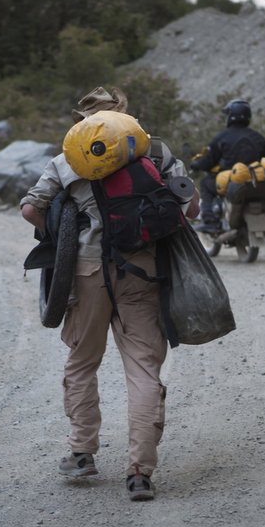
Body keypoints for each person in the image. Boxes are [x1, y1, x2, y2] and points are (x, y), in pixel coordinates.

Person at [20, 86, 200, 501]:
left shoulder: (70, 158)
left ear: (83, 119)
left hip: (86, 271)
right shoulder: (154, 152)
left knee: (82, 361)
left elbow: (31, 209)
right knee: (142, 368)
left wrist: (64, 231)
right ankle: (140, 472)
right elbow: (189, 209)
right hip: (143, 270)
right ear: (125, 115)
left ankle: (82, 452)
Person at [189, 99, 265, 233]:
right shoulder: (259, 138)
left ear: (231, 115)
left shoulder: (222, 137)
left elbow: (209, 160)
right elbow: (264, 160)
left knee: (205, 184)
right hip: (255, 182)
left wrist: (196, 164)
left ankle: (210, 222)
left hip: (231, 181)